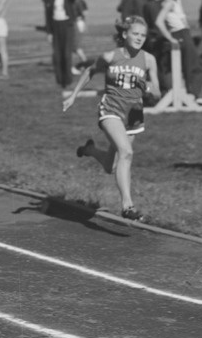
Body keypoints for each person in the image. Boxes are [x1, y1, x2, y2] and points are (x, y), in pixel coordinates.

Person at [62, 16, 160, 221]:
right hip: (111, 110)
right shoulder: (109, 57)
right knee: (126, 152)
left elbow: (157, 92)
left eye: (143, 35)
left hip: (134, 114)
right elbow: (90, 71)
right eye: (135, 34)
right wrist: (73, 96)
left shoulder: (149, 59)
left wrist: (149, 88)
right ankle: (128, 206)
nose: (139, 38)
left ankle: (89, 150)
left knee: (111, 166)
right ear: (124, 34)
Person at [155, 0, 202, 102]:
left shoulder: (177, 1)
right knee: (196, 67)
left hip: (185, 33)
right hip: (179, 34)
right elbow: (159, 21)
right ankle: (192, 95)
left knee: (193, 65)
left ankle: (192, 93)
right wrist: (170, 38)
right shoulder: (169, 3)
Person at [45, 0, 78, 94]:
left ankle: (68, 80)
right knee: (57, 55)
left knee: (66, 55)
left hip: (67, 26)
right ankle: (60, 81)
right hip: (56, 26)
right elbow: (48, 16)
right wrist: (49, 32)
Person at [143, 0, 171, 93]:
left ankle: (156, 91)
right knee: (159, 67)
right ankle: (161, 91)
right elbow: (157, 25)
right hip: (156, 40)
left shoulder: (149, 4)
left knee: (156, 67)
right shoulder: (153, 5)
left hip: (152, 39)